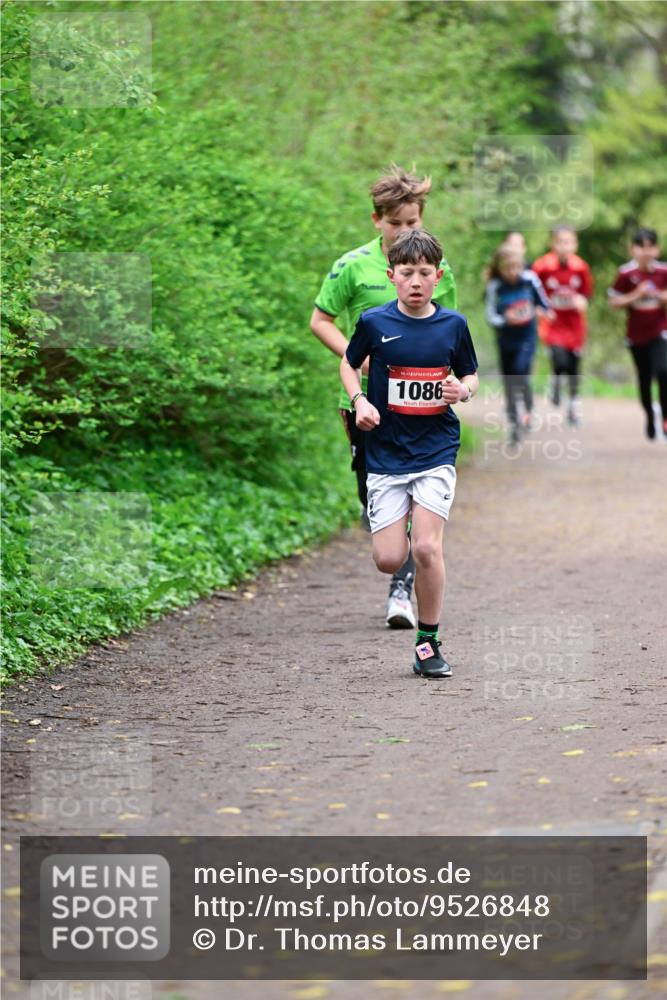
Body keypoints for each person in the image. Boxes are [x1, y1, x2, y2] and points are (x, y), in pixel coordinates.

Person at [310, 165, 457, 629]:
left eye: (412, 223)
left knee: (420, 497)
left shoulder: (436, 267)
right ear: (377, 220)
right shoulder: (351, 265)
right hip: (363, 402)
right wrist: (363, 362)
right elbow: (321, 320)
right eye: (395, 224)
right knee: (372, 496)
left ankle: (404, 589)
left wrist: (453, 382)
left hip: (420, 404)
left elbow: (447, 327)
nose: (403, 232)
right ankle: (393, 556)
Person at [340, 230, 478, 678]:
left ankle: (428, 643)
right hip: (385, 454)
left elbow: (471, 376)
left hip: (436, 449)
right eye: (406, 273)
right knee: (387, 558)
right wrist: (360, 400)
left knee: (426, 549)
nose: (416, 281)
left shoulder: (453, 325)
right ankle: (402, 525)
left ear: (438, 277)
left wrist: (462, 390)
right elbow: (347, 361)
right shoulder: (374, 322)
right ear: (391, 276)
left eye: (424, 273)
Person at [485, 245, 552, 446]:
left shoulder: (530, 279)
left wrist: (543, 312)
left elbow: (545, 304)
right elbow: (490, 316)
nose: (513, 272)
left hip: (527, 338)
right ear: (499, 268)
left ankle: (529, 410)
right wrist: (506, 319)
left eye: (516, 267)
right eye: (507, 268)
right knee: (509, 382)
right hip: (506, 340)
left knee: (520, 372)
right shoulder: (495, 286)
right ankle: (514, 425)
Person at [608, 228, 667, 440]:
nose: (646, 251)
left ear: (657, 249)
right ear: (633, 250)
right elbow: (614, 301)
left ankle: (666, 419)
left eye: (651, 246)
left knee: (664, 372)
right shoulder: (626, 274)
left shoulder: (663, 272)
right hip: (636, 335)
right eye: (641, 247)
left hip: (661, 331)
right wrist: (636, 294)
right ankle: (650, 416)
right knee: (644, 379)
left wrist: (660, 296)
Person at [533, 226, 593, 426]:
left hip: (575, 325)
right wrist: (539, 308)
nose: (564, 246)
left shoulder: (581, 267)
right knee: (560, 362)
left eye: (569, 242)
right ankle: (556, 381)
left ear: (575, 244)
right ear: (553, 243)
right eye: (561, 242)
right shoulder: (542, 266)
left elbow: (586, 294)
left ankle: (574, 409)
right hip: (553, 325)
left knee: (574, 367)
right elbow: (531, 293)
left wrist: (582, 301)